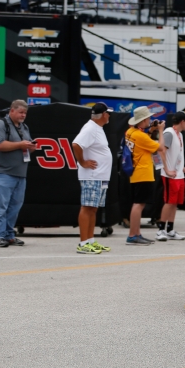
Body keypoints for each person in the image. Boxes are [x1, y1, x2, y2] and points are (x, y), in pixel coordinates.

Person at [0, 100, 36, 247]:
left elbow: (25, 146)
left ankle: (9, 235)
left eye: (25, 113)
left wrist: (31, 147)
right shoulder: (1, 124)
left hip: (20, 174)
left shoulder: (24, 127)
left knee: (14, 207)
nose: (23, 115)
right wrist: (20, 144)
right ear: (12, 111)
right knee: (0, 206)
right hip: (3, 173)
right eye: (21, 112)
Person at [71, 102, 114, 254]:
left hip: (100, 176)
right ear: (103, 114)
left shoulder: (97, 128)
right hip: (92, 175)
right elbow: (76, 144)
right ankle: (83, 243)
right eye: (108, 113)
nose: (109, 116)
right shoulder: (90, 128)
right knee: (87, 207)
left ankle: (90, 241)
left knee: (93, 208)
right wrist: (82, 162)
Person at [125, 106, 166, 245]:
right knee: (139, 204)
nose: (150, 120)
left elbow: (142, 141)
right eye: (148, 118)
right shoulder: (140, 135)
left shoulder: (130, 132)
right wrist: (160, 131)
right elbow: (160, 147)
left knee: (138, 203)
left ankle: (136, 233)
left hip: (135, 172)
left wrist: (150, 130)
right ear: (143, 121)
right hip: (143, 172)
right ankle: (133, 235)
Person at [157, 112, 185, 241]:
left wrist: (181, 166)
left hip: (178, 174)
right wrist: (166, 169)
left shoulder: (179, 134)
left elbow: (176, 153)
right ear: (182, 121)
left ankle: (170, 230)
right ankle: (161, 230)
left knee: (174, 202)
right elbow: (161, 151)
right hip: (169, 175)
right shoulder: (169, 133)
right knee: (169, 202)